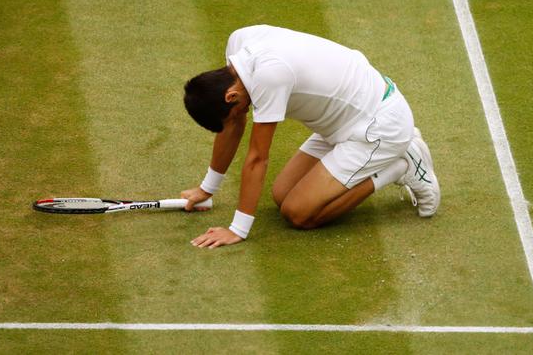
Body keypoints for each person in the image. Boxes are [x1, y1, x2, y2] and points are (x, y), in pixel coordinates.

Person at [181, 25, 440, 249]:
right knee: (282, 195)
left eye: (237, 112)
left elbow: (258, 158)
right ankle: (395, 158)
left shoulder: (269, 77)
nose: (243, 114)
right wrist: (207, 188)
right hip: (342, 118)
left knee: (299, 214)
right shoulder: (239, 45)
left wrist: (237, 229)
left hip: (378, 126)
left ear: (230, 97)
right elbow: (232, 127)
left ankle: (400, 165)